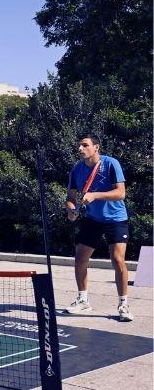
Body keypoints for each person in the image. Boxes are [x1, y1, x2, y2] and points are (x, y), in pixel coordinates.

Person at [65, 132, 132, 322]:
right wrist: (71, 210)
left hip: (116, 218)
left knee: (117, 259)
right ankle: (83, 300)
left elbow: (121, 193)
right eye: (79, 146)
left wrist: (95, 196)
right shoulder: (76, 170)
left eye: (85, 145)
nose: (80, 149)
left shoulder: (111, 164)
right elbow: (70, 197)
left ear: (96, 147)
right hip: (92, 219)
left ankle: (123, 304)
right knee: (80, 258)